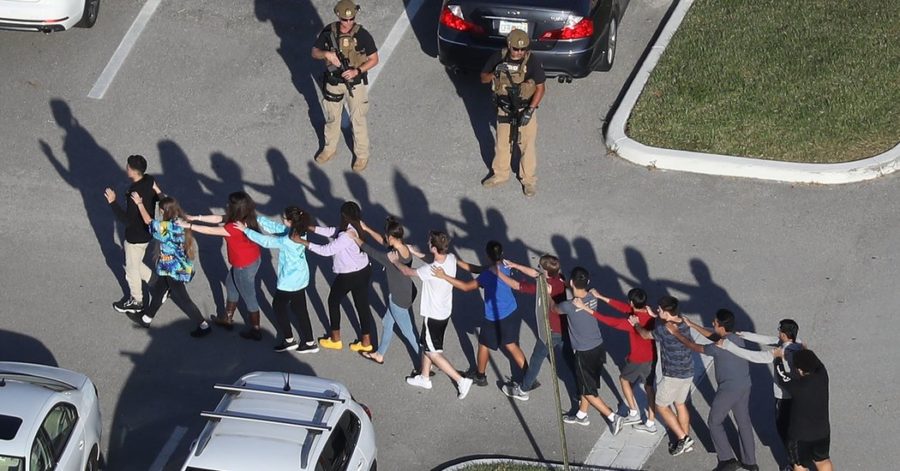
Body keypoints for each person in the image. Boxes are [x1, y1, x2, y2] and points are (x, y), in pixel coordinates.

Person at [668, 310, 757, 471]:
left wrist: (675, 333)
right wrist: (692, 325)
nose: (713, 323)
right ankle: (750, 462)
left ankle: (727, 460)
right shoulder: (736, 338)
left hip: (728, 390)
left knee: (714, 422)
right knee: (743, 421)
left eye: (715, 323)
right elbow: (714, 335)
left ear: (722, 327)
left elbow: (693, 346)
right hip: (745, 384)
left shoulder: (717, 347)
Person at [436, 241, 528, 391]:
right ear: (501, 253)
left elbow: (466, 287)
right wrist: (454, 260)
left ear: (486, 255)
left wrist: (444, 276)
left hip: (493, 317)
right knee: (511, 344)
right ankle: (528, 376)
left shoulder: (487, 275)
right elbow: (476, 269)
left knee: (484, 344)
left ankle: (480, 375)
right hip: (511, 311)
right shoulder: (505, 266)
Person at [393, 231, 473, 399]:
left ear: (435, 248)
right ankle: (424, 377)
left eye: (429, 243)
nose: (427, 244)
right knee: (427, 345)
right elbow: (431, 259)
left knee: (433, 352)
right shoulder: (450, 257)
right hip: (443, 311)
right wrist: (415, 252)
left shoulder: (430, 270)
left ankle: (460, 380)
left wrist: (395, 261)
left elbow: (408, 272)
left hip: (433, 314)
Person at [717, 319, 803, 471]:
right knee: (796, 429)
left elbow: (753, 356)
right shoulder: (799, 345)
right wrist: (744, 335)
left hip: (783, 398)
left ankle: (794, 464)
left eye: (779, 332)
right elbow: (768, 340)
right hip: (799, 396)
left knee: (785, 433)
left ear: (783, 334)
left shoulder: (779, 353)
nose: (778, 334)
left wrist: (729, 346)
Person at [124, 194, 211, 338]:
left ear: (164, 211)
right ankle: (146, 318)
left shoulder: (166, 227)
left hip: (172, 271)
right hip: (178, 266)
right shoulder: (180, 221)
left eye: (161, 210)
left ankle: (203, 325)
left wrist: (139, 203)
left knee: (184, 299)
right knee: (159, 291)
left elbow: (148, 222)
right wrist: (157, 190)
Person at [234, 207, 318, 353]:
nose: (282, 220)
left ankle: (289, 340)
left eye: (284, 218)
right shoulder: (300, 231)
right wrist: (258, 220)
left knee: (278, 307)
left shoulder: (287, 239)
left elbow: (265, 241)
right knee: (301, 310)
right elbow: (277, 228)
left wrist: (245, 230)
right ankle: (310, 342)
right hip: (301, 277)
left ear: (291, 222)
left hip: (289, 282)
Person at [311, 0, 380, 172]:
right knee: (332, 117)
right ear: (338, 16)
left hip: (354, 84)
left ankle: (362, 155)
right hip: (333, 82)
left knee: (357, 120)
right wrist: (327, 54)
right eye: (344, 19)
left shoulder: (362, 35)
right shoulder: (329, 32)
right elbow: (314, 52)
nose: (348, 23)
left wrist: (357, 71)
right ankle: (329, 148)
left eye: (351, 19)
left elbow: (374, 59)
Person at [578, 287, 658, 433]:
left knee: (623, 379)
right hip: (652, 356)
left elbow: (609, 321)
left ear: (632, 302)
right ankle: (651, 423)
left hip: (638, 359)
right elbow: (622, 307)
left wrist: (585, 308)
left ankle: (634, 412)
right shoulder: (649, 312)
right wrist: (600, 296)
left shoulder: (632, 322)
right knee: (649, 388)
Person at [185, 192, 263, 340]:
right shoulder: (245, 216)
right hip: (251, 260)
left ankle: (256, 329)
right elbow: (218, 218)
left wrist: (188, 225)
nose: (226, 205)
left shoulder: (233, 228)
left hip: (243, 266)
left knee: (249, 296)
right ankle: (227, 318)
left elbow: (210, 230)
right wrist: (195, 218)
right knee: (230, 284)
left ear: (235, 208)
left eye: (229, 203)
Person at [298, 201, 374, 352]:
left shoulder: (346, 235)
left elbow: (327, 250)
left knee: (333, 301)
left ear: (344, 216)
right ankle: (366, 342)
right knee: (362, 305)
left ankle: (335, 339)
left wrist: (303, 242)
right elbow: (333, 231)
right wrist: (311, 228)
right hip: (363, 269)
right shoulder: (355, 226)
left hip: (349, 275)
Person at [557, 267, 624, 436]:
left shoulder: (568, 305)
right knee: (588, 383)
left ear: (571, 282)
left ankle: (612, 416)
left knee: (587, 390)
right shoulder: (593, 297)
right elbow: (581, 293)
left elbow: (554, 308)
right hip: (598, 347)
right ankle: (582, 415)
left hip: (583, 351)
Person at [480, 28, 546, 197]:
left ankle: (528, 180)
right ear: (509, 45)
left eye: (523, 49)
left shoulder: (532, 61)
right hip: (504, 108)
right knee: (502, 143)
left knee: (527, 145)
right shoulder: (499, 57)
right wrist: (496, 73)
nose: (519, 52)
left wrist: (530, 111)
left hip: (524, 108)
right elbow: (483, 78)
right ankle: (500, 175)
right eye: (516, 48)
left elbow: (540, 88)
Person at [500, 255, 574, 402]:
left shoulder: (544, 286)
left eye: (540, 266)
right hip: (564, 325)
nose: (537, 267)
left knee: (536, 359)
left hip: (550, 330)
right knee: (570, 357)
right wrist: (515, 265)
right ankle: (582, 388)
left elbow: (517, 286)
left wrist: (498, 273)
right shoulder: (559, 277)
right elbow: (536, 273)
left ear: (546, 271)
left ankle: (523, 390)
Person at [630, 296, 696, 456]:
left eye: (659, 309)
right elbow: (664, 324)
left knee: (661, 405)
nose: (657, 311)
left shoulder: (665, 329)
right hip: (688, 371)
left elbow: (646, 334)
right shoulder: (683, 321)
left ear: (667, 313)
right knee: (680, 404)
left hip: (673, 375)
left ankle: (682, 438)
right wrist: (655, 316)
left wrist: (636, 323)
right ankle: (684, 439)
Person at [350, 217, 420, 366]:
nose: (385, 238)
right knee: (387, 322)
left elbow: (372, 252)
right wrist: (367, 229)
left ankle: (424, 363)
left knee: (409, 333)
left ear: (393, 238)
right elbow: (382, 241)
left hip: (398, 298)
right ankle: (379, 354)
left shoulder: (391, 257)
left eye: (387, 236)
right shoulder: (404, 248)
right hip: (407, 292)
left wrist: (356, 238)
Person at [104, 154, 162, 313]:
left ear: (133, 171)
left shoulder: (134, 194)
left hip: (135, 236)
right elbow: (159, 196)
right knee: (135, 262)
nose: (126, 168)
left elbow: (126, 219)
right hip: (147, 233)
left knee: (131, 270)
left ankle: (137, 300)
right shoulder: (149, 179)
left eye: (128, 167)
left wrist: (112, 202)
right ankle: (159, 285)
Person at [774, 349, 832, 471]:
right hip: (822, 432)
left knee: (800, 465)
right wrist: (804, 350)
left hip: (800, 437)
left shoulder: (797, 387)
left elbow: (782, 377)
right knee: (823, 461)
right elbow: (817, 363)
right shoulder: (823, 375)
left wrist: (778, 359)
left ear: (800, 369)